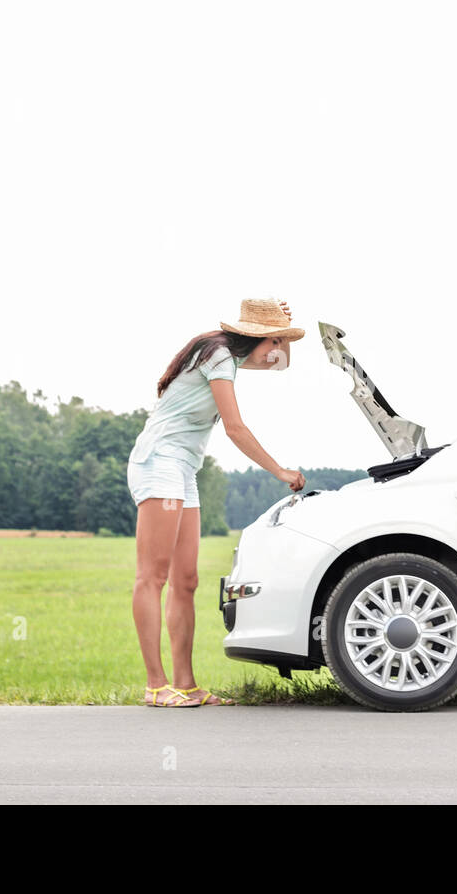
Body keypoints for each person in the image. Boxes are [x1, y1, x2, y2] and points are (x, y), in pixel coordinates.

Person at [126, 298, 307, 707]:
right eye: (273, 341)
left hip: (182, 471)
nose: (277, 350)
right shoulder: (219, 356)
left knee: (185, 581)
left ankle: (186, 684)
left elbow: (280, 364)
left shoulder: (228, 356)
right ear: (257, 337)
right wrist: (279, 471)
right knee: (152, 577)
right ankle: (156, 686)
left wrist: (284, 330)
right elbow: (235, 428)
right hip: (159, 464)